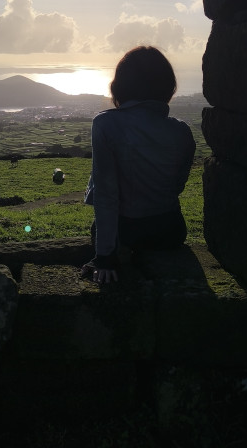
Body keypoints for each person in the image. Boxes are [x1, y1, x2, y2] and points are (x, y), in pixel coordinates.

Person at [81, 46, 196, 284]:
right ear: (167, 87)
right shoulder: (182, 131)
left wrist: (104, 257)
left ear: (120, 86)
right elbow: (177, 185)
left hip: (126, 231)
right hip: (171, 230)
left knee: (98, 226)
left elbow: (106, 194)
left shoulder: (106, 124)